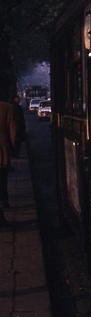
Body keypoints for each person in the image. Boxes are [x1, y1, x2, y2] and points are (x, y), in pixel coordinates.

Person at [0, 95, 18, 226]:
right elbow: (13, 129)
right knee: (2, 178)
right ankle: (3, 200)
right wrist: (13, 147)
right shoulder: (8, 108)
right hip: (2, 150)